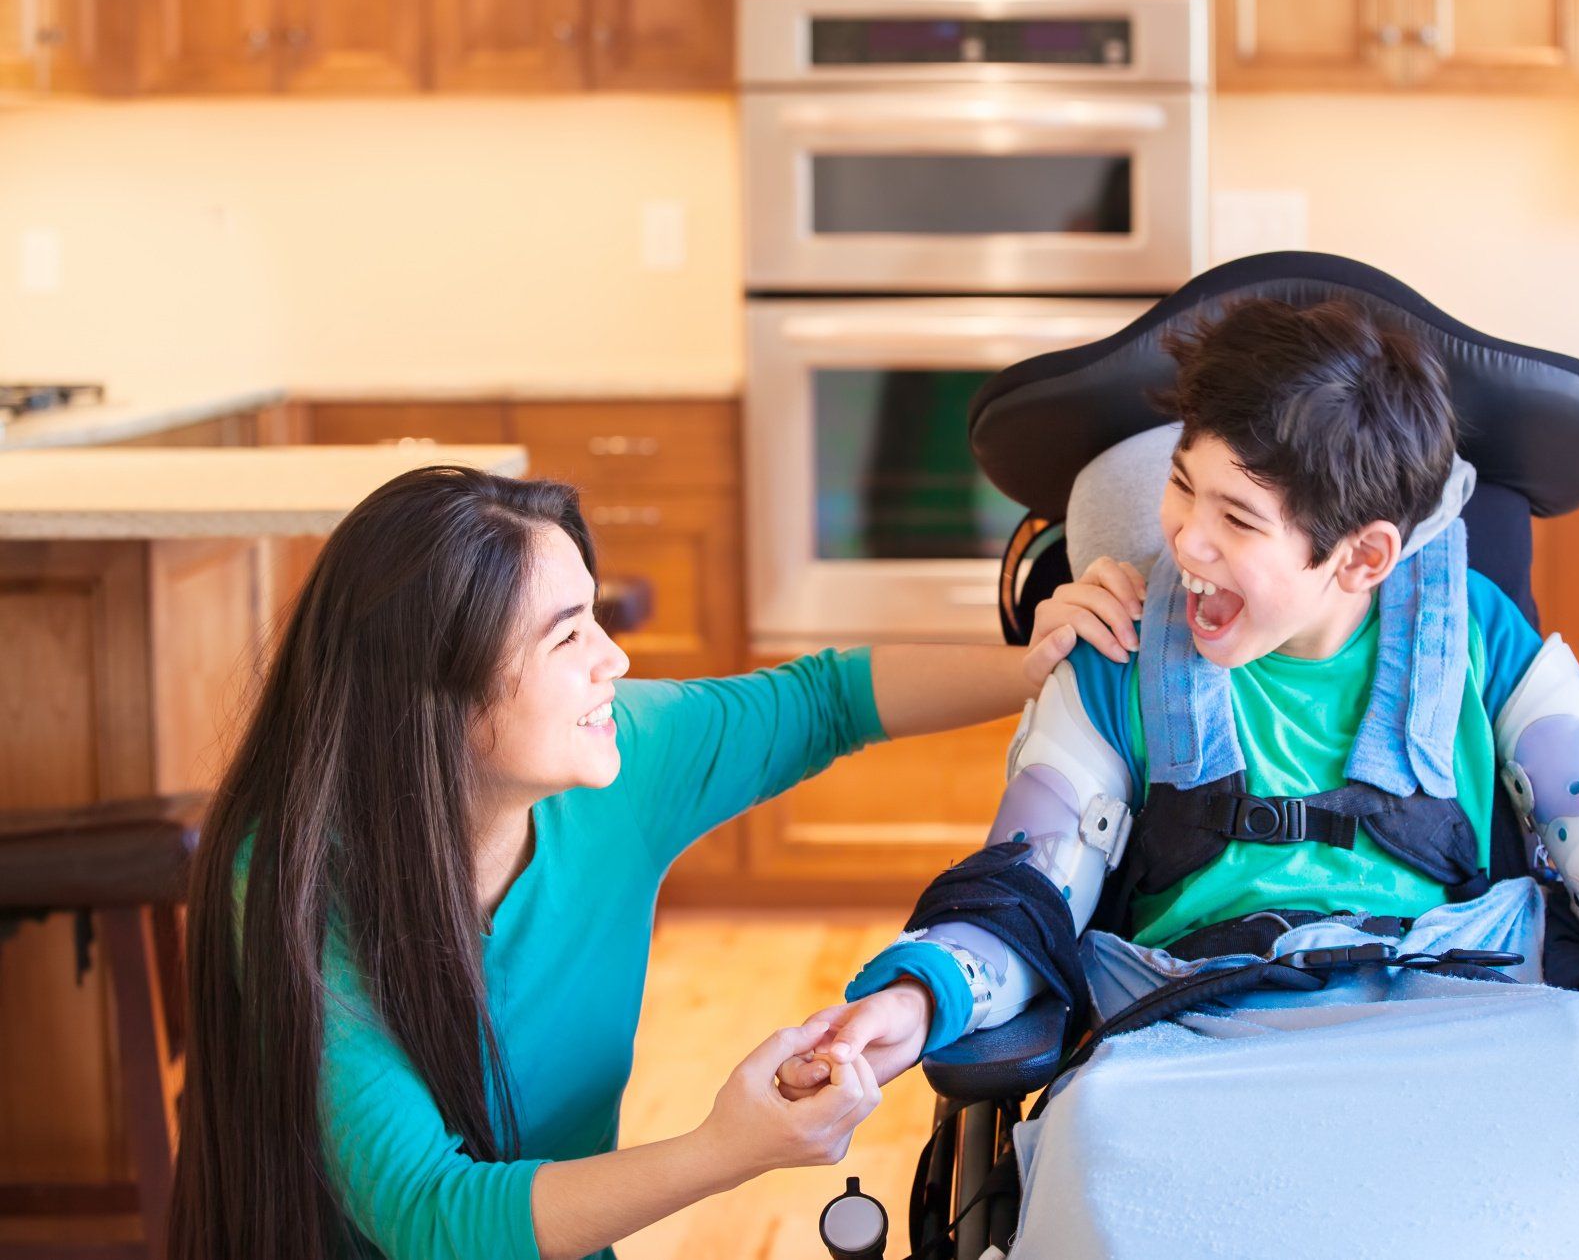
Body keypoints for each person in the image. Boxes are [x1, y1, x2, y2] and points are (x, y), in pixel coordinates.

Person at [779, 294, 1579, 1107]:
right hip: (1194, 1043)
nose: (1185, 540)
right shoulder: (1122, 647)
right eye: (1182, 486)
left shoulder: (1473, 634)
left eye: (1238, 517)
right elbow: (1027, 883)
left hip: (1454, 1033)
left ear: (1364, 554)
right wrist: (919, 993)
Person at [167, 464, 1080, 1260]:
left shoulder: (621, 760)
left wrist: (1044, 669)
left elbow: (829, 700)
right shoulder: (297, 884)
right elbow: (428, 1217)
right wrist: (727, 1147)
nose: (615, 656)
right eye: (567, 636)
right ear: (433, 694)